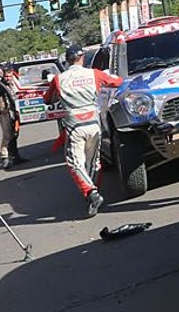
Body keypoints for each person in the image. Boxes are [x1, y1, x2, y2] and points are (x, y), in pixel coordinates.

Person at [45, 46, 123, 217]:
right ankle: (93, 195)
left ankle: (92, 194)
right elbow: (117, 82)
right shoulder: (94, 74)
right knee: (93, 162)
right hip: (94, 123)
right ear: (81, 58)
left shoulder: (59, 79)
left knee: (75, 163)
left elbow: (47, 100)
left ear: (67, 61)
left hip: (74, 125)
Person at [0, 69, 25, 168]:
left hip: (13, 112)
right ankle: (5, 157)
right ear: (3, 76)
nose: (8, 78)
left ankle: (15, 156)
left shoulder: (11, 85)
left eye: (10, 76)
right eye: (6, 76)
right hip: (4, 114)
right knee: (7, 135)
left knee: (14, 134)